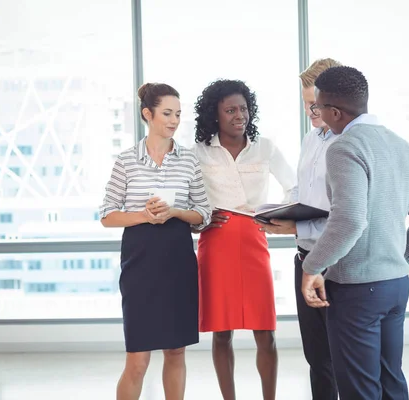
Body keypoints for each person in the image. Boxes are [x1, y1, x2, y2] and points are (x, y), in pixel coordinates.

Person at [300, 66, 409, 400]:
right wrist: (395, 260)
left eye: (318, 107)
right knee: (391, 383)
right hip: (395, 286)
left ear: (335, 112)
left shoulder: (344, 147)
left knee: (359, 391)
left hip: (355, 292)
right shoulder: (401, 146)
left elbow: (349, 221)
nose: (316, 113)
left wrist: (312, 268)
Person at [100, 82, 212, 400]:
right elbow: (107, 215)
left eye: (178, 113)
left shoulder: (188, 160)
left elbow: (203, 214)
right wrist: (144, 216)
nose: (174, 120)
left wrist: (176, 212)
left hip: (178, 262)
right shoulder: (126, 161)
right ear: (148, 114)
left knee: (176, 352)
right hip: (140, 264)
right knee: (138, 359)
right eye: (167, 113)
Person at [192, 79, 296, 400]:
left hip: (254, 240)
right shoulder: (198, 152)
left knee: (265, 331)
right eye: (230, 110)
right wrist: (201, 219)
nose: (240, 115)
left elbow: (292, 187)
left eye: (243, 108)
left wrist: (277, 216)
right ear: (215, 114)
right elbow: (185, 199)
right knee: (222, 333)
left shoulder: (265, 147)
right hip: (216, 243)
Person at [256, 58, 341, 400]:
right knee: (317, 357)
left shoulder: (346, 143)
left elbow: (344, 214)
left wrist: (296, 223)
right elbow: (301, 191)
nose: (310, 110)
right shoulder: (311, 139)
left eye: (315, 103)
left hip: (335, 262)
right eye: (306, 104)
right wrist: (277, 211)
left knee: (342, 357)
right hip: (305, 258)